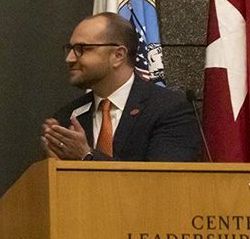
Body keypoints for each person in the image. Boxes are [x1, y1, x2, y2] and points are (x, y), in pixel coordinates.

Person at [42, 12, 201, 161]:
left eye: (81, 49)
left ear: (118, 56)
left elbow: (163, 181)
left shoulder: (169, 109)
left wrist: (86, 156)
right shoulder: (67, 117)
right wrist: (54, 167)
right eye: (70, 49)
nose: (69, 58)